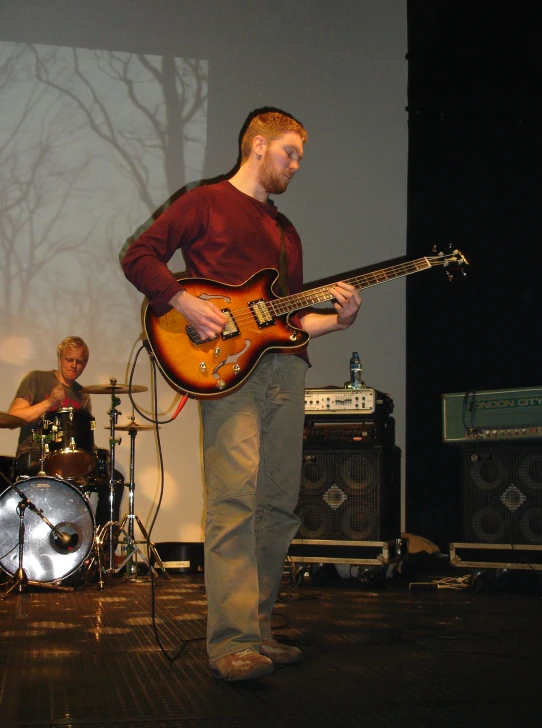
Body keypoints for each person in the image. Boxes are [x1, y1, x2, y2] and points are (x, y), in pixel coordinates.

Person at [121, 109, 362, 681]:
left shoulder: (286, 232)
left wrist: (339, 321)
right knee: (233, 502)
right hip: (228, 371)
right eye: (290, 153)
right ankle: (230, 643)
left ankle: (257, 630)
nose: (296, 166)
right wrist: (183, 303)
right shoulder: (205, 202)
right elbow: (139, 256)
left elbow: (291, 319)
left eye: (299, 157)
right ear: (257, 144)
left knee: (277, 506)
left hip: (286, 370)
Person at [7, 336, 124, 533]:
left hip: (70, 461)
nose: (74, 366)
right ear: (60, 358)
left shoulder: (83, 394)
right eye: (69, 360)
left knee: (114, 479)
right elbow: (12, 418)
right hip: (34, 455)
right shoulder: (36, 379)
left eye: (79, 362)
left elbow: (84, 438)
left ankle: (101, 548)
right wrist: (49, 403)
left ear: (85, 364)